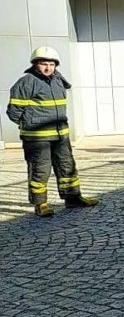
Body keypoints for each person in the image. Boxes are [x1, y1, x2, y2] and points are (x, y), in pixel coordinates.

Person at [6, 46, 99, 217]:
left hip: (60, 135)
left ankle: (73, 198)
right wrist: (28, 125)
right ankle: (40, 203)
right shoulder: (26, 82)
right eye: (43, 64)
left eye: (51, 64)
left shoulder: (58, 80)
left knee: (67, 167)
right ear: (35, 64)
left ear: (56, 65)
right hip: (37, 138)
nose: (48, 68)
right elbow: (14, 112)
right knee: (41, 170)